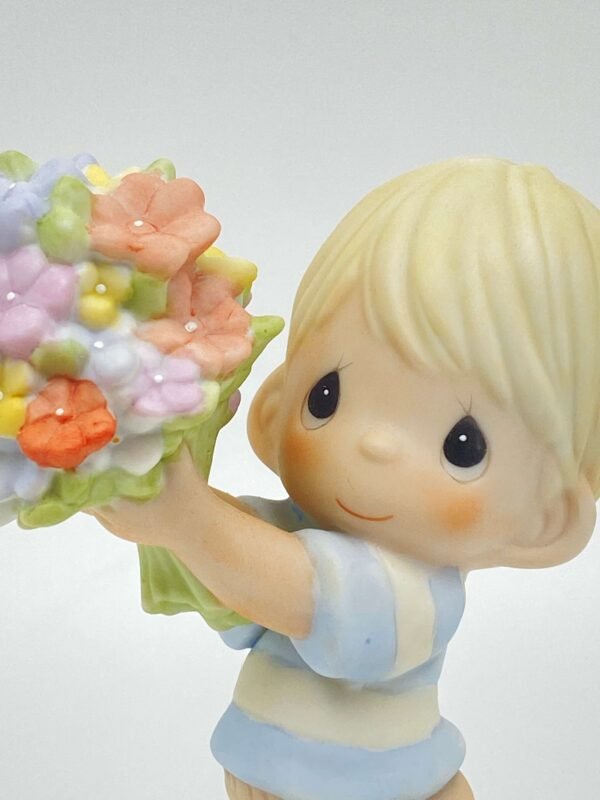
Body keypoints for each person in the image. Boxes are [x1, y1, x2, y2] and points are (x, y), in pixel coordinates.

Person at [91, 157, 600, 800]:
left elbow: (297, 591)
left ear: (545, 520)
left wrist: (185, 517)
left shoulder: (418, 594)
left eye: (461, 446)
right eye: (326, 396)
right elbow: (231, 571)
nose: (374, 444)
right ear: (277, 404)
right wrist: (129, 483)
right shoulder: (287, 533)